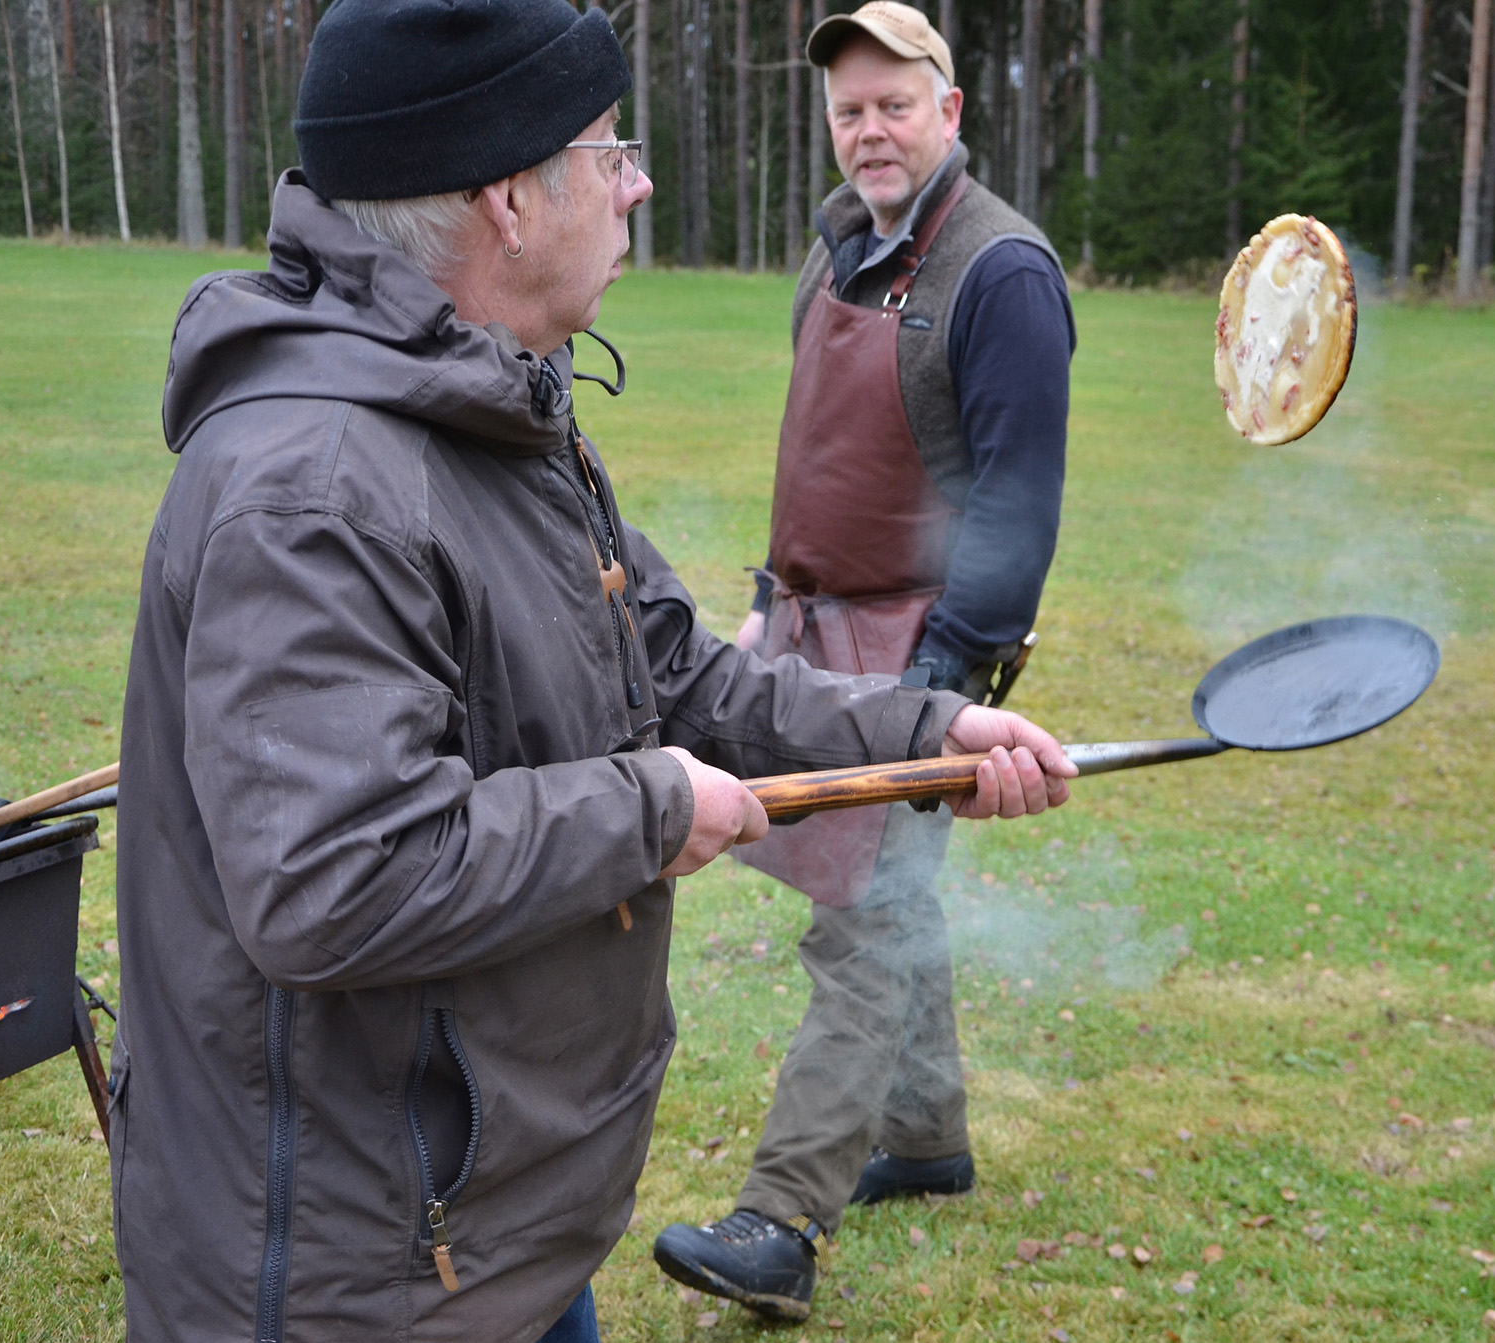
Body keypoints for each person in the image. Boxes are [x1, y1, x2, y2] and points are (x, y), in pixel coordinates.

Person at [108, 0, 1073, 1338]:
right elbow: (334, 880)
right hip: (356, 1276)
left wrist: (926, 728)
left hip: (489, 1228)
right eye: (609, 149)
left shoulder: (495, 399)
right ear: (510, 195)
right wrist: (656, 810)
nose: (639, 181)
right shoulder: (318, 489)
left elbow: (668, 670)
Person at [652, 2, 1075, 1322]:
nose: (870, 131)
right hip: (816, 631)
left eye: (896, 104)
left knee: (869, 915)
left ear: (952, 111)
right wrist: (767, 621)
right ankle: (928, 1136)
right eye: (849, 109)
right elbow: (821, 461)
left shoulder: (999, 271)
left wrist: (937, 700)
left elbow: (1015, 512)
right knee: (885, 893)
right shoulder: (840, 246)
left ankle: (780, 1222)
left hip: (928, 645)